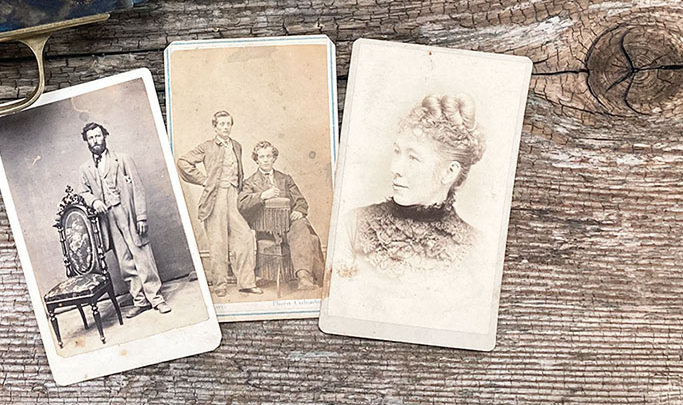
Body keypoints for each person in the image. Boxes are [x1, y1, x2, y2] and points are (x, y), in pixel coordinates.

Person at [347, 93, 486, 278]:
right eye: (397, 152)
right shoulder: (354, 224)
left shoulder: (476, 247)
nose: (394, 168)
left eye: (413, 157)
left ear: (449, 172)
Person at [78, 122, 172, 317]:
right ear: (87, 141)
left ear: (105, 136)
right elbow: (83, 192)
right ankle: (140, 301)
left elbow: (137, 187)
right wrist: (94, 202)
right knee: (124, 261)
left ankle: (156, 299)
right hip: (107, 218)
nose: (96, 141)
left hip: (127, 211)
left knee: (142, 256)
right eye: (91, 138)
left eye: (98, 136)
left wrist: (142, 217)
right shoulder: (86, 168)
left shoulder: (122, 159)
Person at [175, 111, 260, 297]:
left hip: (233, 196)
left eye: (228, 123)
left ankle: (246, 282)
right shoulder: (207, 146)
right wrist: (204, 180)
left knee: (245, 236)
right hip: (215, 199)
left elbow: (239, 174)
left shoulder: (237, 146)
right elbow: (183, 161)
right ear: (215, 127)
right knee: (218, 242)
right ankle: (219, 285)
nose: (225, 127)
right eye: (221, 124)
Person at [238, 140, 326, 290]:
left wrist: (299, 210)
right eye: (261, 157)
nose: (265, 160)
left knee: (300, 224)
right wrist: (263, 195)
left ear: (274, 158)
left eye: (268, 156)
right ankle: (311, 277)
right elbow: (242, 204)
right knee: (310, 239)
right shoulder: (250, 182)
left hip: (290, 228)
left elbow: (301, 201)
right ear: (256, 159)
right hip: (267, 231)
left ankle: (303, 278)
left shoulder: (285, 179)